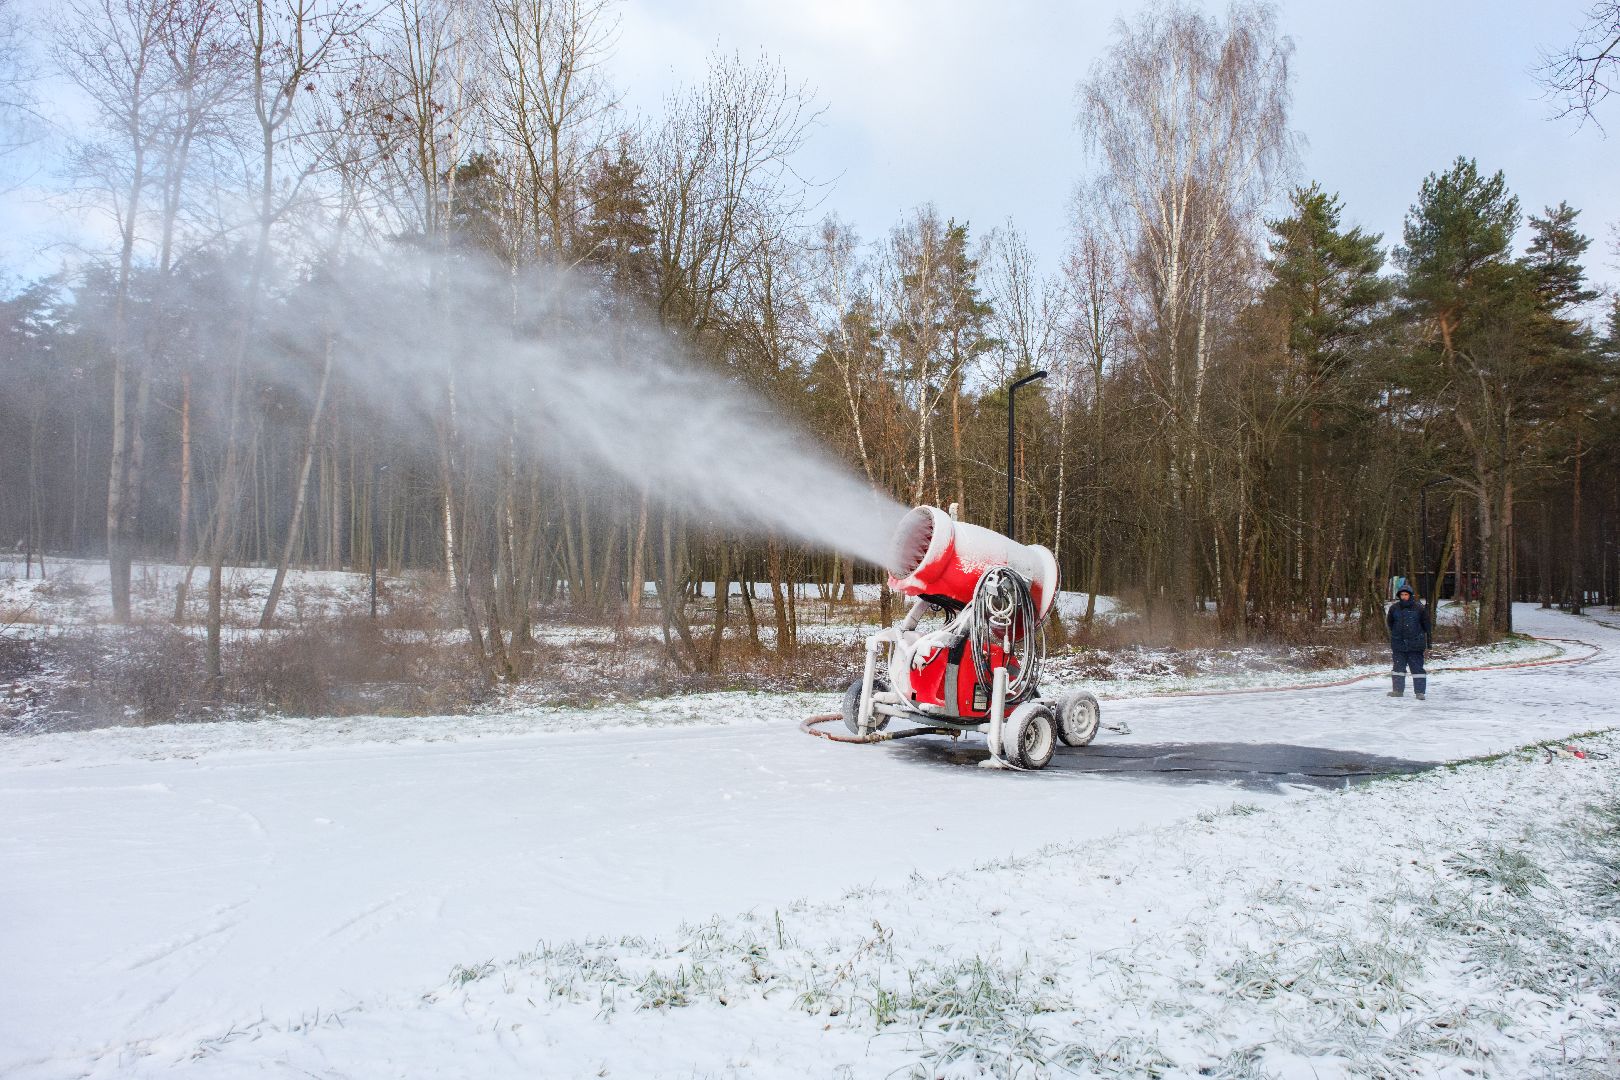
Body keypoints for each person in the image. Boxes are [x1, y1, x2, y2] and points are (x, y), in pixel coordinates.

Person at [1386, 584, 1430, 699]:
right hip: (1398, 644)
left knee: (1417, 669)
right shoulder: (1394, 608)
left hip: (1415, 645)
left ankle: (1420, 692)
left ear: (1410, 595)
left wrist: (1417, 636)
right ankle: (1397, 690)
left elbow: (1426, 626)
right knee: (1398, 669)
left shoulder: (1419, 608)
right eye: (1402, 594)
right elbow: (1390, 623)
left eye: (1406, 594)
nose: (1404, 596)